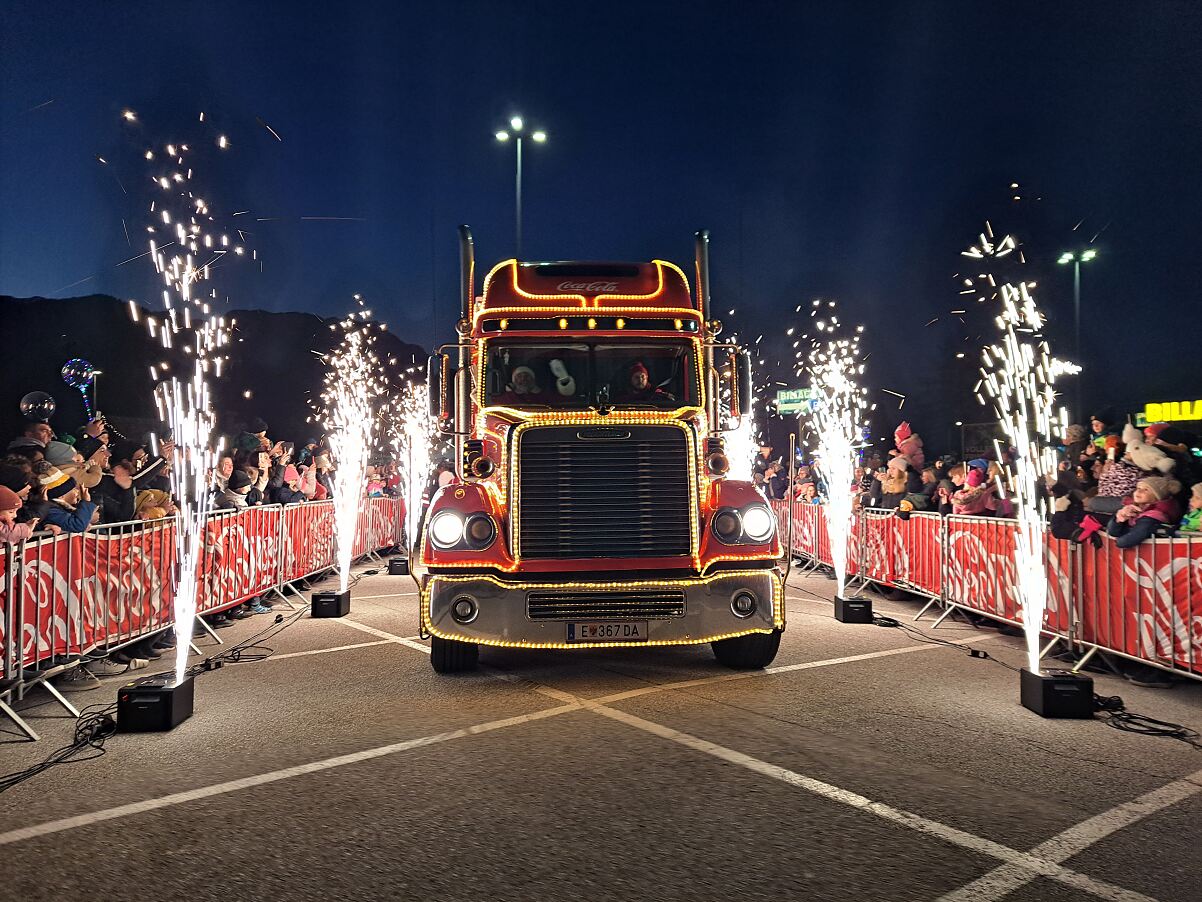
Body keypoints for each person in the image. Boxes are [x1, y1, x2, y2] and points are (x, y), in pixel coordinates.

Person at [1106, 476, 1182, 548]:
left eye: (1146, 490)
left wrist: (1114, 544)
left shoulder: (1154, 515)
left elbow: (1131, 538)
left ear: (1157, 496)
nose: (1139, 491)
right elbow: (1113, 532)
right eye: (1138, 488)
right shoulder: (1132, 509)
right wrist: (1119, 519)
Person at [38, 465, 97, 533]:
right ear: (61, 496)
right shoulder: (52, 511)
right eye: (73, 489)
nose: (77, 491)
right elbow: (77, 525)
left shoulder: (57, 507)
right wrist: (86, 502)